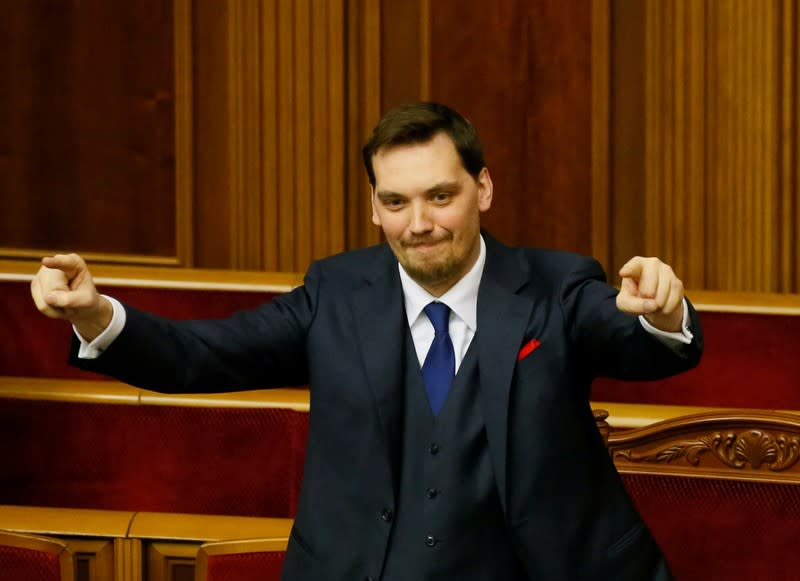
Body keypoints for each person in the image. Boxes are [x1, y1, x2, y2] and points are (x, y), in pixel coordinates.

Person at [31, 102, 701, 580]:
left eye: (440, 196)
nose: (420, 223)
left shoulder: (555, 286)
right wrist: (94, 313)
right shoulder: (336, 293)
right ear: (373, 205)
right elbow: (199, 355)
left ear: (483, 189)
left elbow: (638, 341)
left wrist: (662, 312)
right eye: (397, 201)